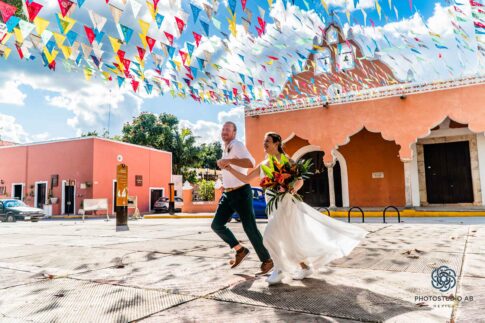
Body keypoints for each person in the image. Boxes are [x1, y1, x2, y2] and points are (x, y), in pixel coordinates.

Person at [225, 132, 368, 285]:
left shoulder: (287, 161)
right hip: (273, 207)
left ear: (277, 143)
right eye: (263, 141)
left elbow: (299, 181)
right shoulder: (264, 163)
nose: (264, 144)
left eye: (267, 141)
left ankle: (279, 270)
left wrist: (290, 189)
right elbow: (247, 179)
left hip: (286, 206)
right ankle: (305, 267)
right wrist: (230, 169)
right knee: (289, 239)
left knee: (269, 236)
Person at [211, 122, 274, 275]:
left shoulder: (237, 144)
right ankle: (240, 250)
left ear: (234, 132)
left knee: (249, 227)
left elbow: (250, 162)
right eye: (223, 129)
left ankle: (267, 260)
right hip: (228, 194)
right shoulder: (225, 148)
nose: (224, 131)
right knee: (217, 225)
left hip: (241, 192)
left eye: (228, 129)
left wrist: (229, 161)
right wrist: (225, 162)